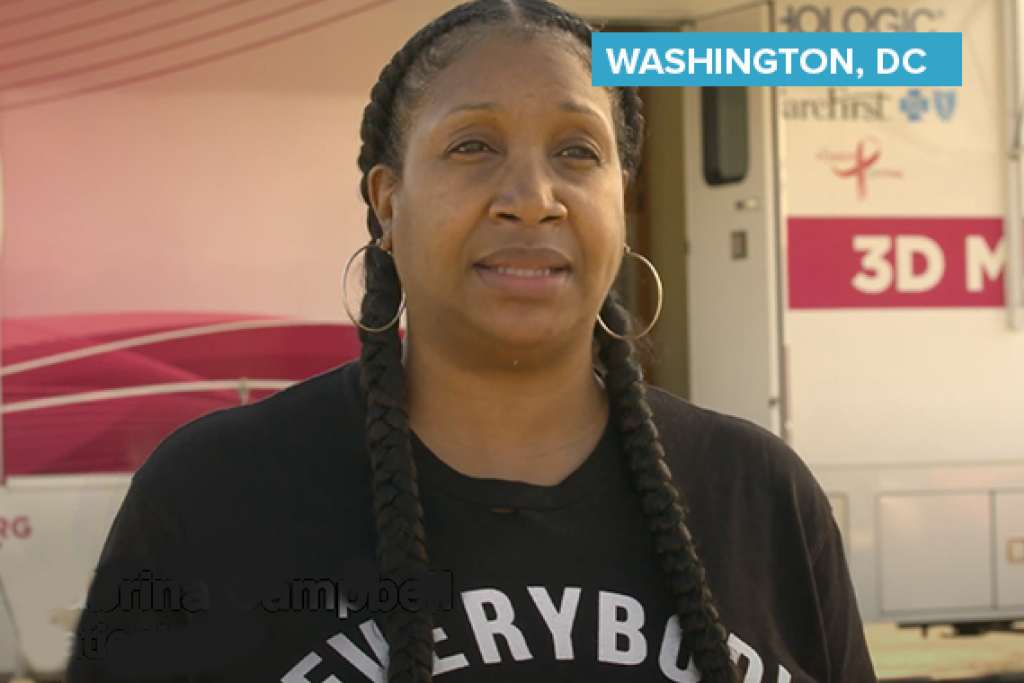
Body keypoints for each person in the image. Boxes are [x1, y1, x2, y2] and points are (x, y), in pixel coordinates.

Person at [66, 1, 877, 681]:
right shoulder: (214, 496)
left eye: (577, 152)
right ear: (387, 204)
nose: (531, 199)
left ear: (619, 203)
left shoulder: (760, 496)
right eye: (472, 146)